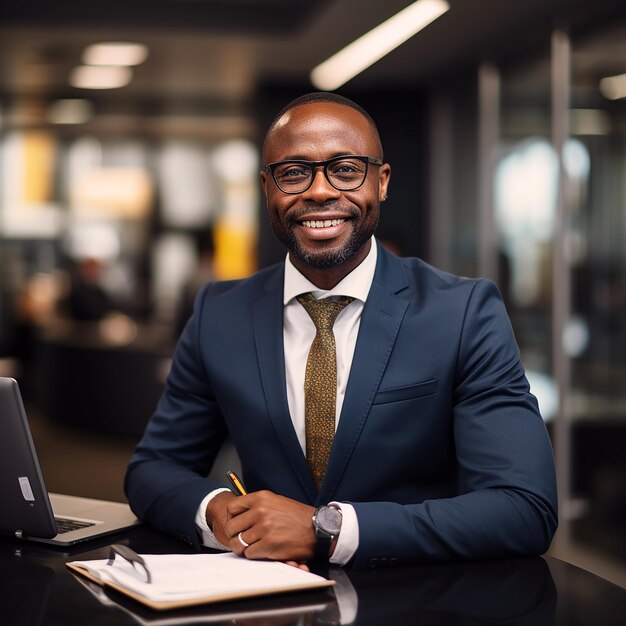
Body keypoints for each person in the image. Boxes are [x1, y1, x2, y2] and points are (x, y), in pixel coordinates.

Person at [125, 92, 558, 569]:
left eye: (346, 169)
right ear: (267, 188)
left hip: (418, 601)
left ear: (382, 181)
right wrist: (220, 512)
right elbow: (152, 470)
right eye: (293, 173)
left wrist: (326, 529)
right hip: (266, 605)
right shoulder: (219, 312)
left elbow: (524, 507)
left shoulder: (462, 313)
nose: (319, 191)